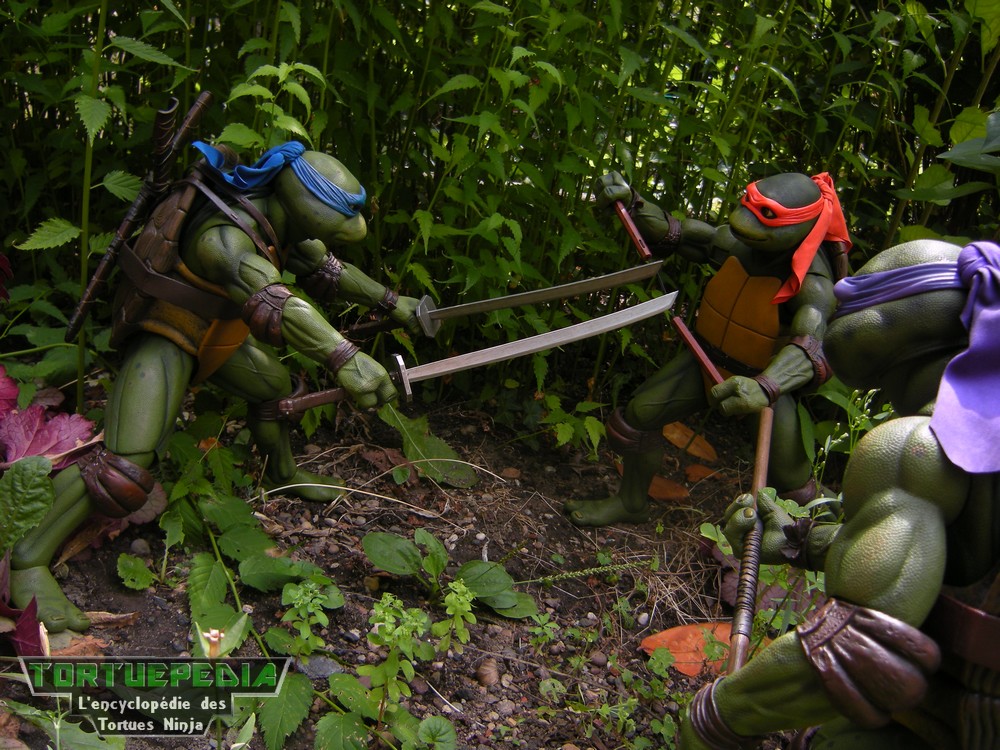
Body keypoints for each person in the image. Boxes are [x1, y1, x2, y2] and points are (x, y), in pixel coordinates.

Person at [10, 141, 422, 633]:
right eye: (339, 212)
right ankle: (26, 560)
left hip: (218, 338)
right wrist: (345, 358)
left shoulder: (282, 225)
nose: (353, 226)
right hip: (169, 336)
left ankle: (280, 473)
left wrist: (392, 301)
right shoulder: (224, 238)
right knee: (125, 467)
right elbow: (275, 299)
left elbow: (331, 272)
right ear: (300, 200)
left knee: (275, 389)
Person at [680, 239, 999, 749]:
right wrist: (798, 540)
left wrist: (715, 717)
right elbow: (928, 558)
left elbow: (858, 650)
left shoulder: (918, 446)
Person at [565, 171, 849, 526]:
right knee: (635, 420)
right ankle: (631, 502)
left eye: (767, 216)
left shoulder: (812, 283)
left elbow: (811, 347)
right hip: (705, 359)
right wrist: (633, 202)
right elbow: (678, 235)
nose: (745, 222)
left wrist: (765, 386)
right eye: (748, 205)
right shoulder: (737, 245)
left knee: (795, 485)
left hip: (762, 387)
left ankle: (821, 539)